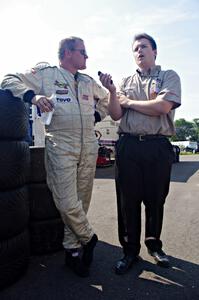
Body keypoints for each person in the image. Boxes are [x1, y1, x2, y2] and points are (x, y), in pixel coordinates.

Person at [1, 36, 108, 277]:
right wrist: (34, 97)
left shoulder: (89, 82)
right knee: (66, 200)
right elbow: (8, 79)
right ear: (68, 53)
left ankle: (72, 251)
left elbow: (107, 99)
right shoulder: (46, 74)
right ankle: (89, 238)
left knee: (81, 201)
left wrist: (98, 117)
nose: (87, 56)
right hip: (61, 143)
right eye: (83, 52)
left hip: (89, 144)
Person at [99, 33, 181, 275]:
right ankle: (129, 251)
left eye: (144, 47)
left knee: (155, 200)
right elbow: (115, 115)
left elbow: (162, 107)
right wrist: (114, 92)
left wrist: (130, 103)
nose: (139, 51)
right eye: (135, 48)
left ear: (155, 51)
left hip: (157, 146)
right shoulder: (124, 82)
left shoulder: (168, 76)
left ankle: (154, 246)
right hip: (129, 146)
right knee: (128, 202)